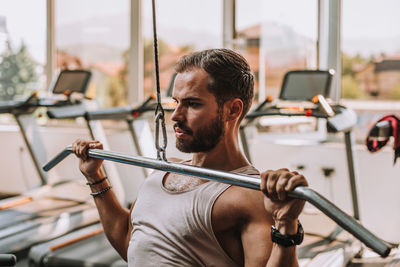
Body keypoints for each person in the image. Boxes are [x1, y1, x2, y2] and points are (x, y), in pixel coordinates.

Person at [72, 48, 308, 267]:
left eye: (192, 104)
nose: (175, 115)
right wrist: (95, 175)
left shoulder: (250, 197)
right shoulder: (163, 172)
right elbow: (127, 240)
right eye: (176, 102)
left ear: (232, 110)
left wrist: (286, 225)